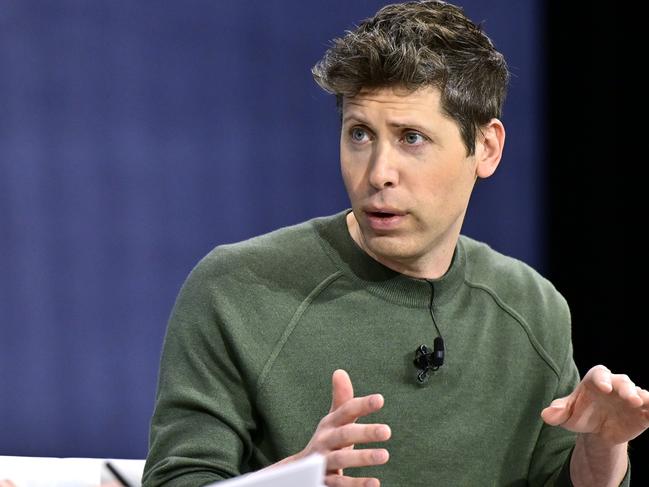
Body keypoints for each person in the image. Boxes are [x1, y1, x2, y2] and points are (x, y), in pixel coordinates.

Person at [142, 1, 649, 486]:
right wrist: (293, 479)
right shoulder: (236, 290)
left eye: (411, 138)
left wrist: (604, 448)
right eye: (359, 134)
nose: (378, 173)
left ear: (487, 148)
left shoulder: (532, 309)